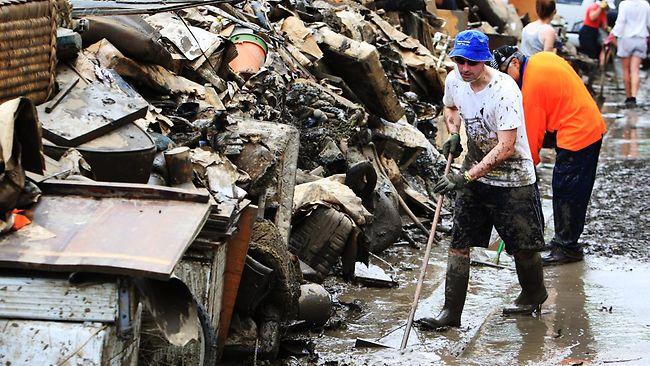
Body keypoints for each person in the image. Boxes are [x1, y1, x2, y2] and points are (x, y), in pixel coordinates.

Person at [417, 30, 547, 330]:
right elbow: (450, 107)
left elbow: (506, 147)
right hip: (475, 171)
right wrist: (452, 133)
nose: (464, 68)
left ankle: (533, 293)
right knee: (459, 242)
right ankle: (451, 312)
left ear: (485, 61)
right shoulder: (454, 80)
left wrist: (465, 176)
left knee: (523, 245)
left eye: (471, 63)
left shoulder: (505, 91)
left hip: (514, 177)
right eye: (459, 61)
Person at [490, 46, 607, 265]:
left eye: (505, 73)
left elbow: (530, 145)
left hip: (579, 133)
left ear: (515, 63)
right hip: (586, 122)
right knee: (570, 188)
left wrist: (521, 175)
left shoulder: (532, 87)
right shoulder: (540, 59)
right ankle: (564, 242)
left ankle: (567, 247)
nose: (505, 80)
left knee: (567, 191)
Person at [610, 0, 650, 106]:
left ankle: (629, 98)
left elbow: (621, 22)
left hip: (626, 39)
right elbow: (648, 23)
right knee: (635, 70)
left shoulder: (624, 4)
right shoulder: (645, 4)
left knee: (626, 70)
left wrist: (613, 34)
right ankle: (634, 96)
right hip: (641, 39)